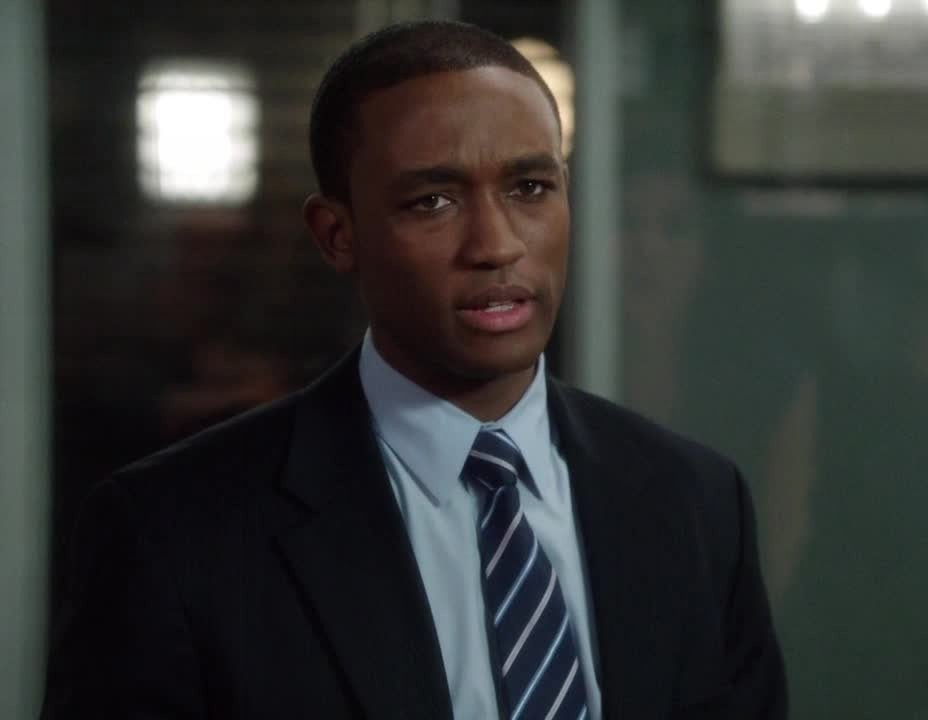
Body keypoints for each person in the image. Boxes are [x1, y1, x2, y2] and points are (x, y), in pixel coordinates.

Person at [41, 20, 786, 720]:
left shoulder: (696, 502)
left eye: (529, 189)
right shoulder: (173, 535)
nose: (495, 245)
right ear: (337, 235)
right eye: (432, 201)